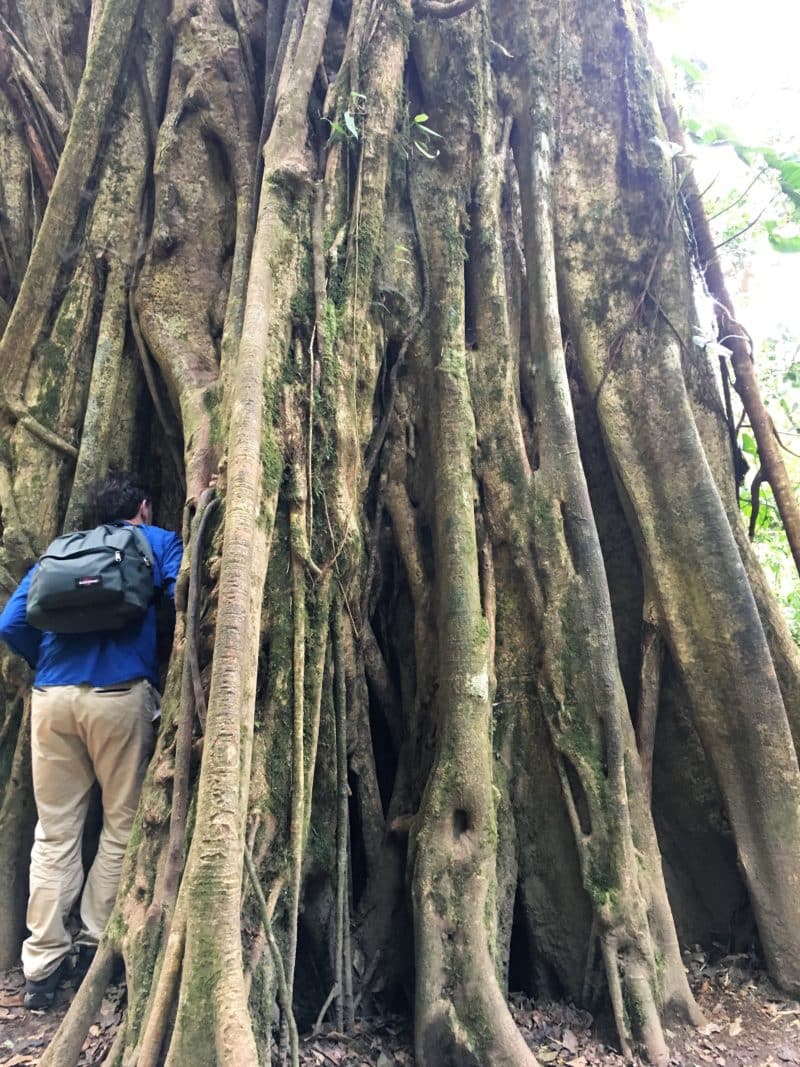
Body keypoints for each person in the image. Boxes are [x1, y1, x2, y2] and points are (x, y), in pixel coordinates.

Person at [0, 471, 182, 1009]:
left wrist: (51, 667)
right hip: (119, 696)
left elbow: (11, 622)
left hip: (52, 700)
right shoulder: (155, 541)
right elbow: (185, 596)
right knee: (121, 825)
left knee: (54, 833)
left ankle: (41, 964)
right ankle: (94, 942)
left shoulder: (61, 550)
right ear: (144, 508)